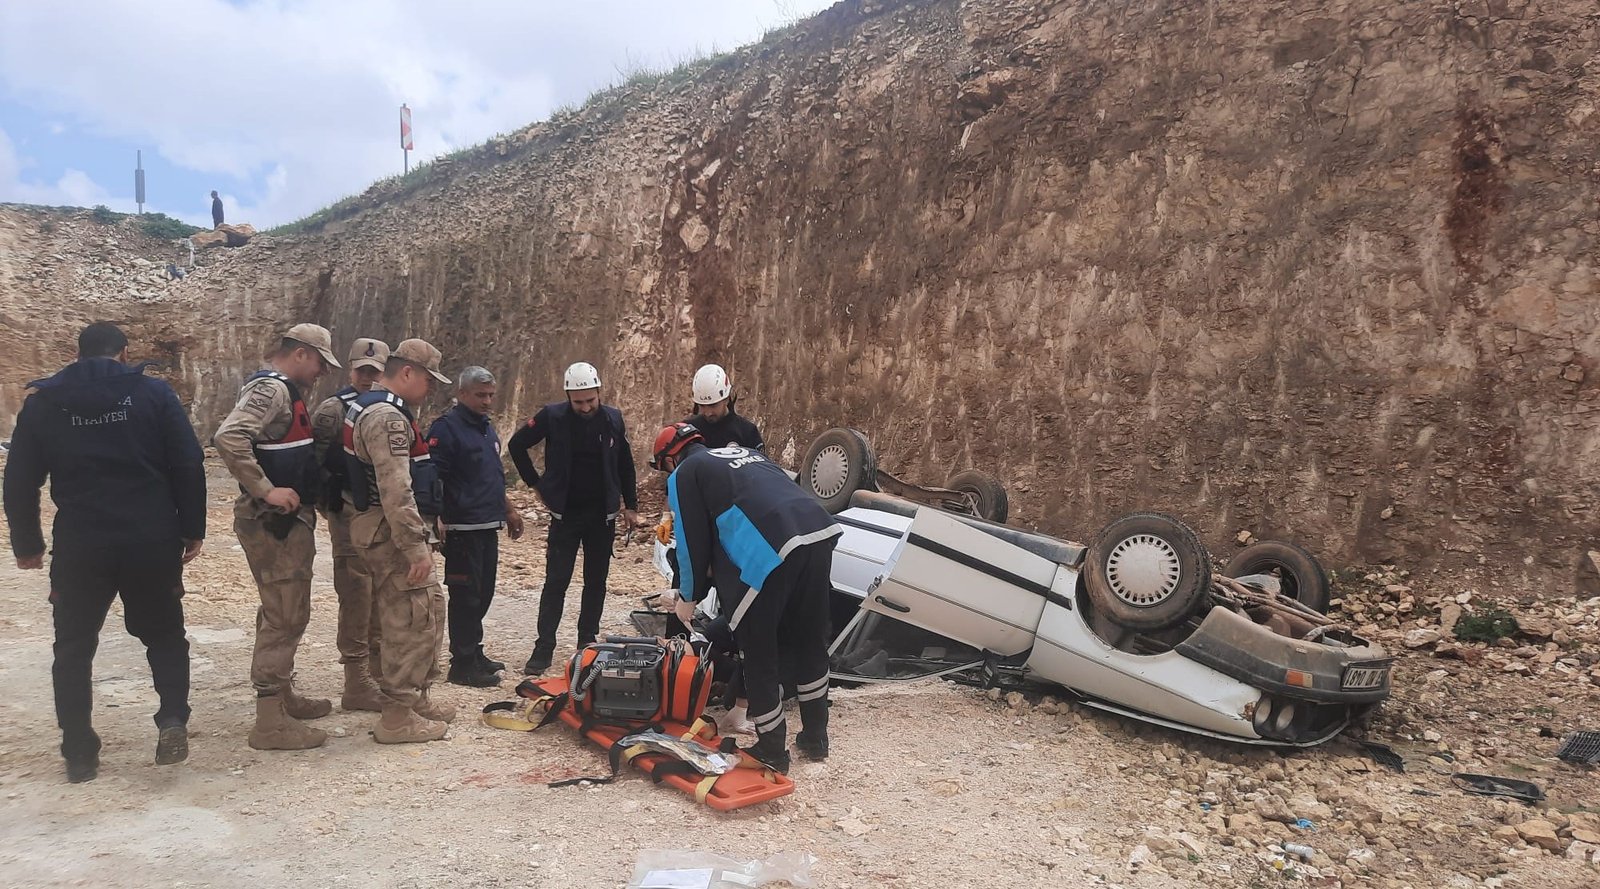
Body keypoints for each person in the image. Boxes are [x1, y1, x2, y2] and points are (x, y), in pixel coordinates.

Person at [3, 322, 206, 783]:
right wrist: (192, 527)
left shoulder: (44, 404)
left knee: (73, 647)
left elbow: (18, 479)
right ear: (123, 352)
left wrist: (27, 544)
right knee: (164, 635)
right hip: (150, 539)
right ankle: (172, 717)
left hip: (81, 543)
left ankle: (79, 752)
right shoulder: (153, 395)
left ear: (77, 355)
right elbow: (188, 462)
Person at [651, 422, 839, 774]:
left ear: (670, 458)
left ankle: (772, 747)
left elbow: (692, 542)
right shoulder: (746, 453)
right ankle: (816, 737)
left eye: (663, 468)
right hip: (818, 532)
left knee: (758, 650)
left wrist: (688, 596)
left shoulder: (686, 473)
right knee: (809, 643)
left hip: (771, 551)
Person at [214, 323, 339, 751]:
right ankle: (269, 722)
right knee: (285, 613)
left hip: (284, 523)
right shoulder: (272, 391)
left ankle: (281, 698)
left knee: (283, 608)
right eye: (321, 361)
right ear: (301, 353)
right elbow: (229, 436)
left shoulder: (285, 392)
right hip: (272, 522)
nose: (323, 371)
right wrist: (265, 489)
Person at [340, 339, 456, 743]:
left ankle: (414, 698)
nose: (430, 390)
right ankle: (397, 717)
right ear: (407, 372)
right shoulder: (388, 417)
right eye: (428, 380)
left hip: (383, 527)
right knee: (410, 617)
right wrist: (413, 546)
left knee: (425, 609)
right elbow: (395, 489)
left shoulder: (370, 406)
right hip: (391, 532)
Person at [507, 361, 640, 674]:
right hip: (565, 513)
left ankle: (587, 644)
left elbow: (625, 463)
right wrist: (536, 485)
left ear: (598, 393)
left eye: (590, 400)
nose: (584, 407)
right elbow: (517, 445)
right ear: (568, 397)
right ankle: (543, 648)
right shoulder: (551, 417)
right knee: (556, 581)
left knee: (596, 582)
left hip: (601, 515)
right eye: (578, 402)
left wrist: (630, 505)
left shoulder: (612, 419)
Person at [425, 366, 524, 687]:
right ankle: (462, 664)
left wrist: (508, 509)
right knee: (465, 595)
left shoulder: (485, 428)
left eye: (491, 395)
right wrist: (435, 516)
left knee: (483, 593)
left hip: (487, 524)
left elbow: (492, 474)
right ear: (462, 394)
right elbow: (432, 476)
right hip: (461, 527)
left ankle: (474, 651)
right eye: (481, 395)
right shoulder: (447, 429)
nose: (487, 401)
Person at [309, 337, 391, 712]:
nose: (367, 378)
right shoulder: (331, 410)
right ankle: (356, 678)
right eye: (362, 370)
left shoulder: (391, 408)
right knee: (356, 593)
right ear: (350, 369)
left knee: (380, 591)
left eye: (375, 372)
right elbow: (316, 463)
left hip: (381, 513)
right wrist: (330, 509)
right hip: (345, 512)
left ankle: (378, 669)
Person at [682, 363, 763, 450]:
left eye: (713, 405)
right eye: (702, 406)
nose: (708, 413)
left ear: (726, 399)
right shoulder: (688, 431)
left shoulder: (747, 433)